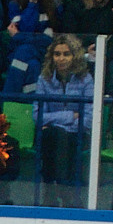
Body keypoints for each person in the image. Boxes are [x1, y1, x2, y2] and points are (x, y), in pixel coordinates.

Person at [27, 33, 95, 198]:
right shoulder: (44, 78)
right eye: (57, 54)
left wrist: (56, 121)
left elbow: (88, 119)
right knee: (54, 136)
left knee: (59, 137)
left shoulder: (85, 79)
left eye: (66, 54)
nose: (61, 59)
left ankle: (52, 191)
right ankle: (63, 192)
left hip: (76, 134)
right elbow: (37, 115)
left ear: (75, 56)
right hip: (51, 134)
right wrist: (71, 116)